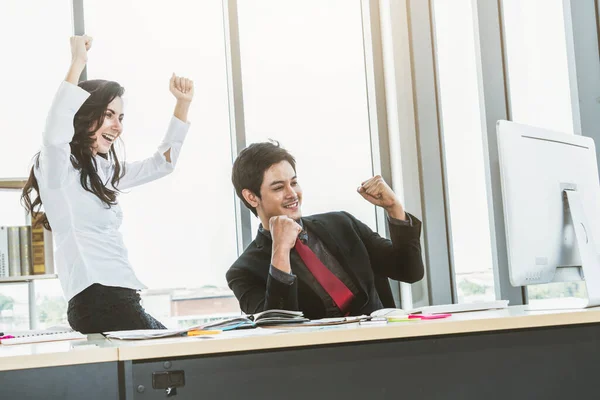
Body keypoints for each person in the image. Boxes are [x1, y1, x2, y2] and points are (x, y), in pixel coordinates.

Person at [21, 36, 195, 333]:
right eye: (109, 115)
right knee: (179, 355)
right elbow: (54, 133)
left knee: (178, 354)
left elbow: (162, 163)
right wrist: (77, 63)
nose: (118, 126)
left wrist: (182, 104)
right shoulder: (56, 169)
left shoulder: (104, 170)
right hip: (99, 299)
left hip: (122, 298)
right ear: (84, 115)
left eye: (121, 118)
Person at [227, 141, 424, 319]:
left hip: (385, 347)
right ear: (252, 197)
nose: (292, 194)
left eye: (294, 183)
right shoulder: (243, 272)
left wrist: (394, 208)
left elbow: (409, 271)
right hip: (322, 358)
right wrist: (281, 250)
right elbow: (278, 329)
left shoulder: (342, 224)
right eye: (278, 188)